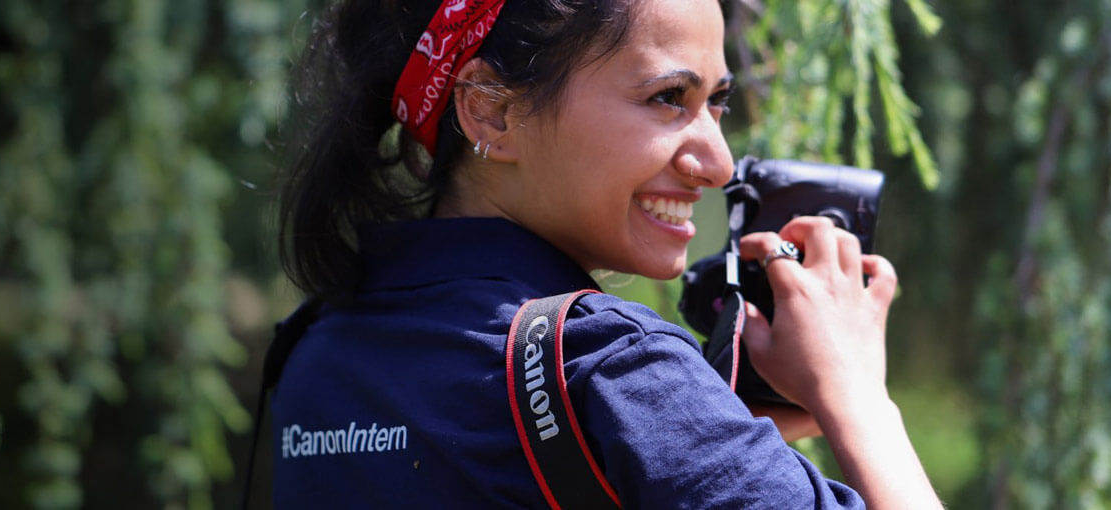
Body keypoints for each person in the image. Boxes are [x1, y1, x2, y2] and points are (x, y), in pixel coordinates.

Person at [265, 0, 942, 507]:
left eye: (718, 105)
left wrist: (708, 427)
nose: (718, 162)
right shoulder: (615, 370)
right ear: (490, 111)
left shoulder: (316, 352)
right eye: (668, 98)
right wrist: (854, 395)